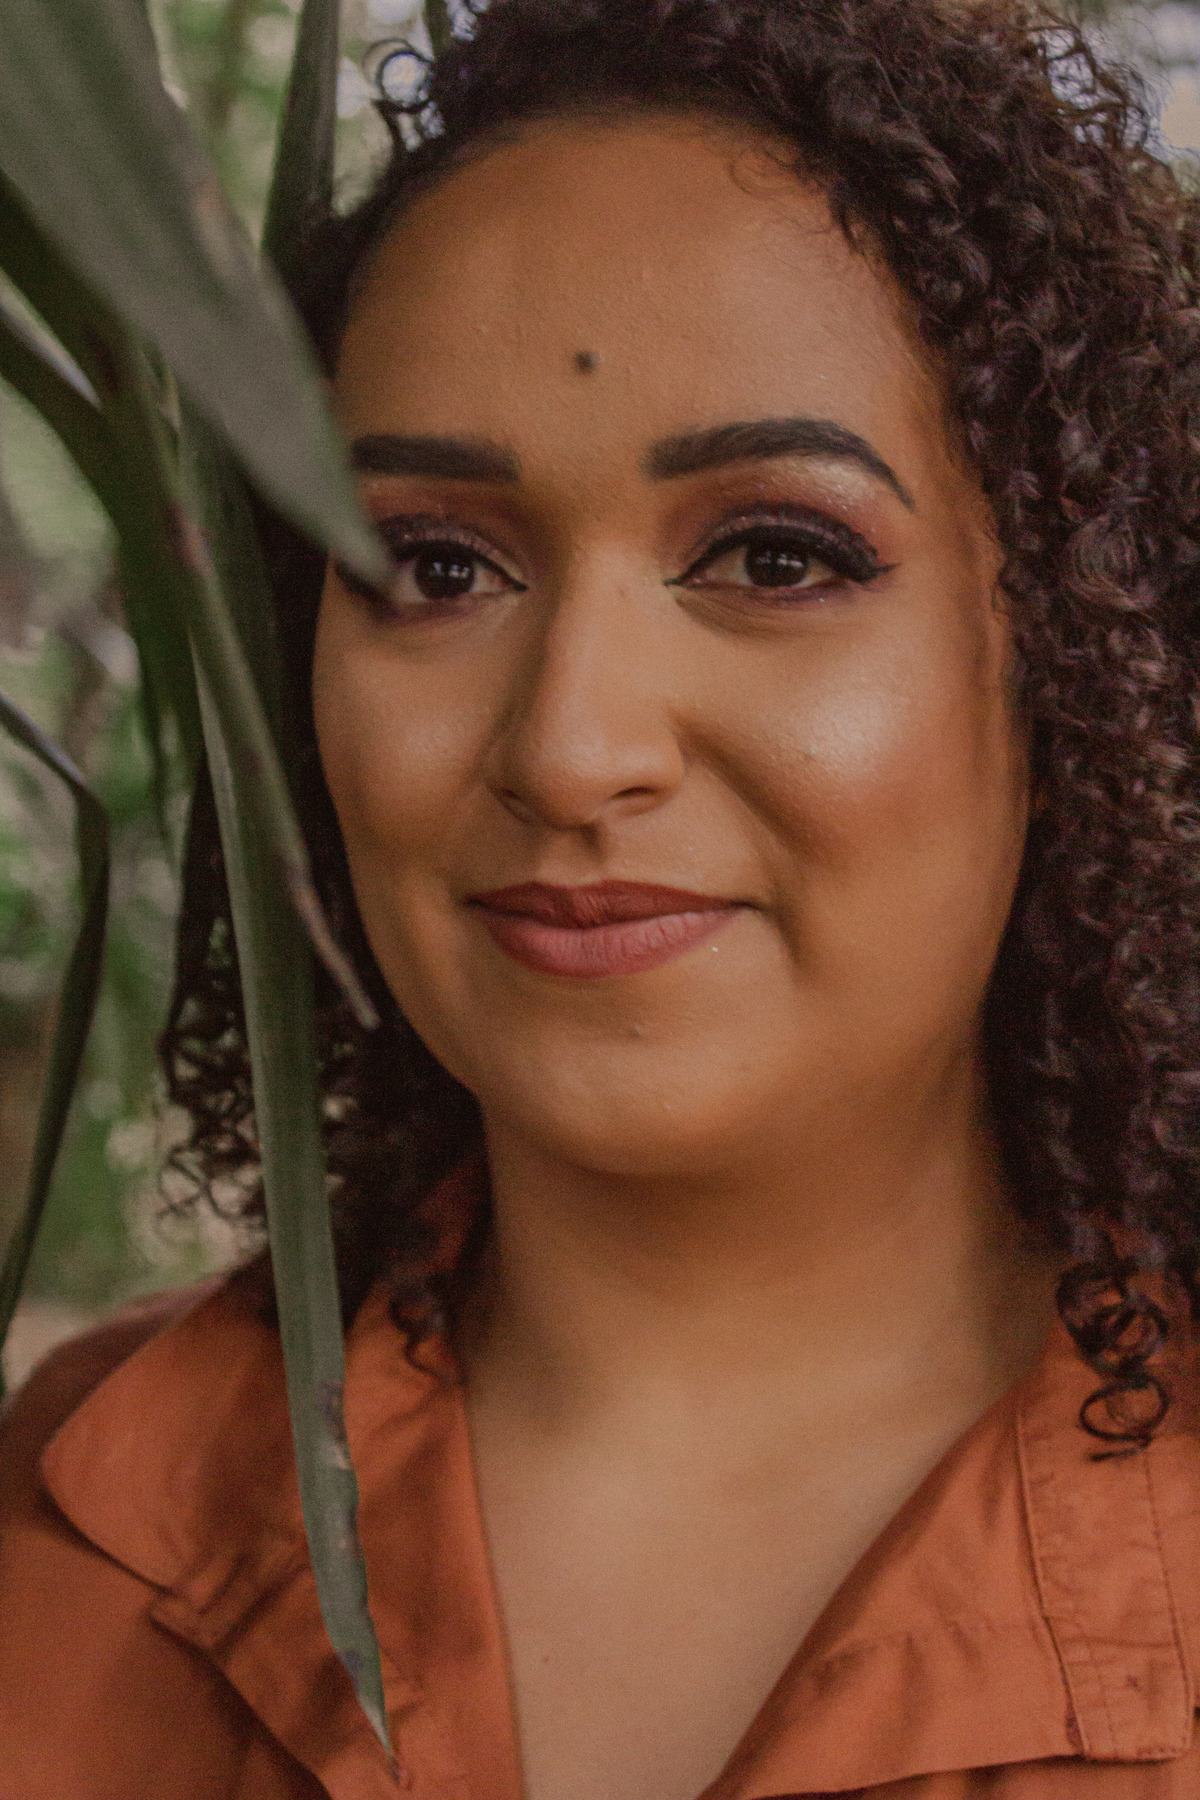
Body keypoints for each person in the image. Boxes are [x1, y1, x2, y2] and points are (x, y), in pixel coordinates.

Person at [3, 0, 1200, 1794]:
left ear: (1083, 657)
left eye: (776, 554)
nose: (570, 750)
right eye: (434, 565)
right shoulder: (65, 1525)